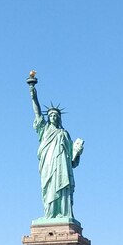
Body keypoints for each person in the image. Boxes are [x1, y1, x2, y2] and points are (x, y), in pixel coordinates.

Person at [29, 81, 84, 220]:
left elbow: (72, 158)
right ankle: (50, 214)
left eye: (55, 115)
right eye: (51, 115)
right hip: (48, 163)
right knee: (48, 188)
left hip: (62, 164)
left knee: (62, 185)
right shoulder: (44, 129)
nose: (53, 117)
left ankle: (63, 213)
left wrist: (77, 152)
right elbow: (37, 111)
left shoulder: (64, 133)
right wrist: (32, 92)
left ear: (59, 118)